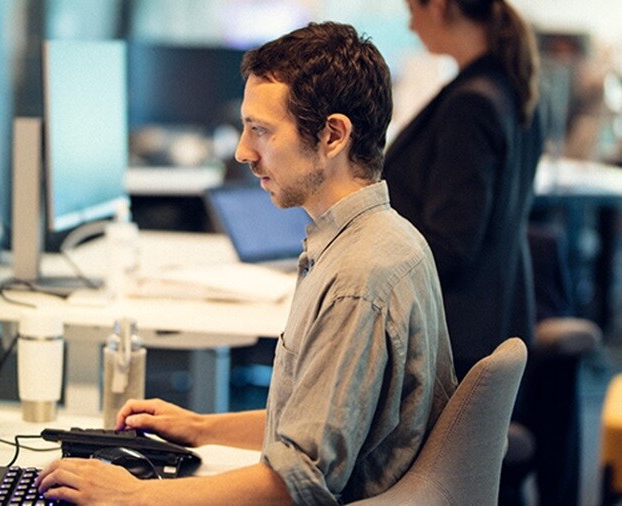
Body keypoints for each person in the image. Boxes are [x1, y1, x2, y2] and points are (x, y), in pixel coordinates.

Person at [35, 22, 457, 505]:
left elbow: (297, 481)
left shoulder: (358, 281)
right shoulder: (384, 240)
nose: (243, 151)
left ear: (333, 135)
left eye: (261, 130)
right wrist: (201, 427)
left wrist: (131, 497)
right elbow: (324, 421)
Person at [380, 0, 548, 502]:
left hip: (457, 335)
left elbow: (451, 243)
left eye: (413, 7)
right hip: (496, 315)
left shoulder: (470, 102)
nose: (410, 21)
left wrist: (370, 269)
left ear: (442, 7)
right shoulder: (509, 86)